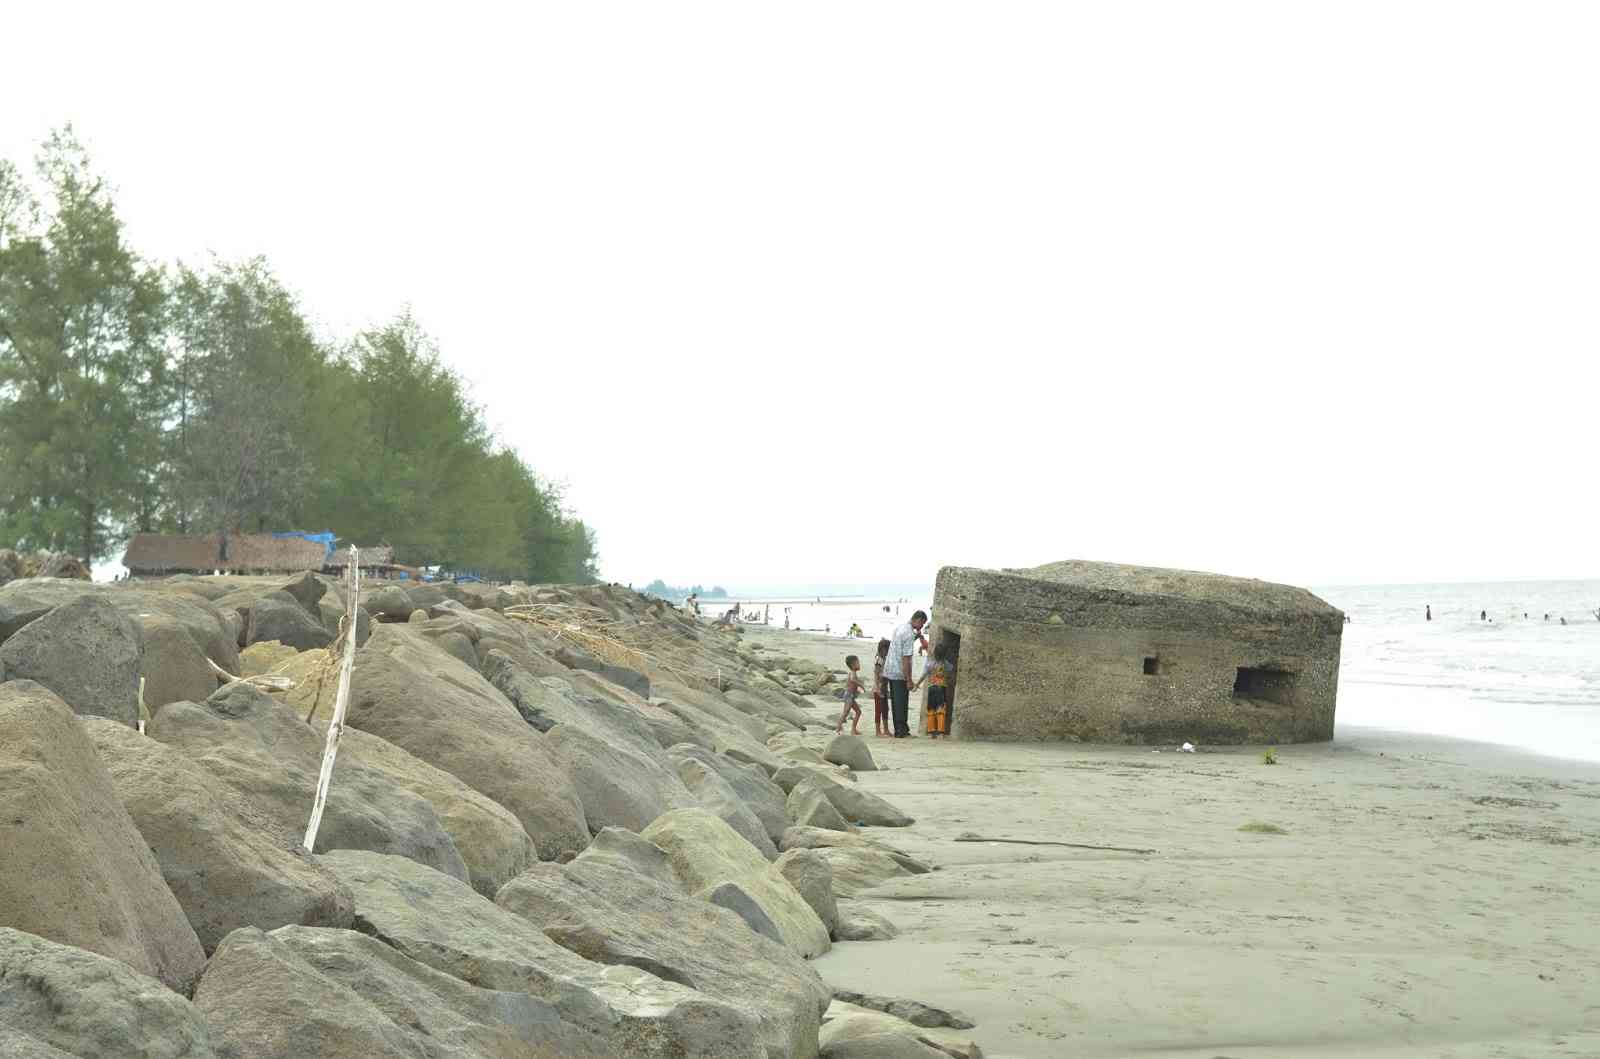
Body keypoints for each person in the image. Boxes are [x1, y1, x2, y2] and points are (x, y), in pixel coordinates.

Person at [884, 610, 927, 737]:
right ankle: (901, 730)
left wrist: (917, 636)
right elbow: (906, 659)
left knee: (896, 701)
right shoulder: (908, 634)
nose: (922, 627)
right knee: (901, 702)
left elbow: (901, 644)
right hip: (899, 671)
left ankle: (900, 729)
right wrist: (908, 679)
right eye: (922, 624)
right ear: (918, 620)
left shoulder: (901, 628)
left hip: (891, 668)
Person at [918, 640, 956, 738]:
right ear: (944, 655)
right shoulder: (946, 664)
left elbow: (924, 675)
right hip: (941, 689)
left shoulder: (930, 664)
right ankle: (940, 732)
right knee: (940, 709)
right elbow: (951, 672)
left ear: (934, 653)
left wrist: (917, 684)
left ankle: (931, 732)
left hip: (931, 689)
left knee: (931, 709)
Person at [836, 654, 865, 735]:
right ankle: (838, 729)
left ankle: (853, 729)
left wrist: (858, 687)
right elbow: (852, 679)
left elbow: (853, 682)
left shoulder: (853, 673)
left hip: (851, 696)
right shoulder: (853, 673)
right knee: (845, 712)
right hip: (849, 696)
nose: (859, 664)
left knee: (858, 712)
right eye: (857, 663)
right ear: (853, 665)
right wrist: (861, 685)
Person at [871, 638, 890, 738]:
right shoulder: (879, 659)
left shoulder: (884, 658)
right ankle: (878, 731)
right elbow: (876, 673)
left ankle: (886, 730)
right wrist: (877, 687)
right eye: (887, 650)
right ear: (883, 649)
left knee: (885, 709)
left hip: (884, 686)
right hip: (879, 687)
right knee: (879, 709)